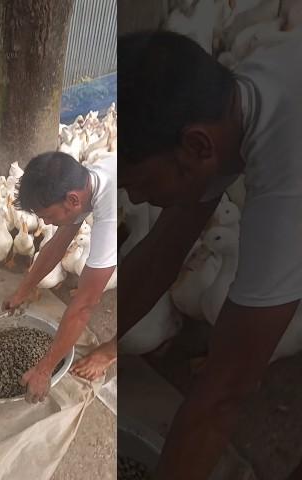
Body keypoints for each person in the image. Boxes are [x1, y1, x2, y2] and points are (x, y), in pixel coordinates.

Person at [118, 30, 302, 480]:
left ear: (198, 147)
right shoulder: (229, 109)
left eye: (139, 182)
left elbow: (223, 396)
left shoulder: (286, 175)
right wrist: (79, 344)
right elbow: (161, 253)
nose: (137, 200)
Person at [2, 151, 117, 404]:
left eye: (48, 217)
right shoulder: (81, 182)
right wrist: (23, 290)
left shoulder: (109, 211)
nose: (44, 222)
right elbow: (56, 245)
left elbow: (85, 304)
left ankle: (110, 351)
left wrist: (45, 369)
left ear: (73, 200)